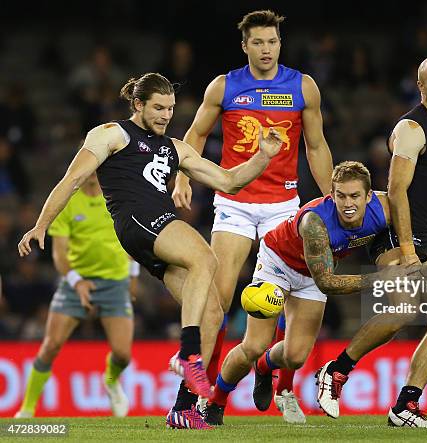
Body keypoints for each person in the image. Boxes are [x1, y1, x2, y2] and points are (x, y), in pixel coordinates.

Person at [17, 72, 284, 430]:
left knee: (213, 313)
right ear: (138, 104)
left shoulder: (175, 147)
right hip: (139, 220)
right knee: (206, 257)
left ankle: (183, 408)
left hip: (154, 236)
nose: (165, 115)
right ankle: (189, 353)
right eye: (158, 107)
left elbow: (228, 181)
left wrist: (263, 156)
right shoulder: (112, 133)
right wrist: (41, 224)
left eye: (170, 108)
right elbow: (73, 179)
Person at [315, 56, 427, 428]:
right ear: (422, 87)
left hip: (424, 232)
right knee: (403, 309)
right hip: (395, 230)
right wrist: (409, 249)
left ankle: (405, 406)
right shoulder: (411, 129)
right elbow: (397, 192)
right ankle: (336, 370)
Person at [171, 9, 333, 423]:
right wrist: (183, 176)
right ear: (245, 46)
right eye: (258, 42)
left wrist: (331, 194)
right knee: (217, 301)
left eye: (272, 41)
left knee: (292, 299)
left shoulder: (303, 87)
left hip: (283, 205)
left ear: (281, 43)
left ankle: (280, 385)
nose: (266, 49)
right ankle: (198, 396)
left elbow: (315, 147)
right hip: (236, 205)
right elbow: (195, 134)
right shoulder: (225, 86)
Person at [201, 161, 413, 426]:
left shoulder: (384, 209)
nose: (348, 204)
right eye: (341, 196)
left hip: (312, 274)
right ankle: (215, 401)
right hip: (278, 263)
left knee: (295, 357)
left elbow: (412, 223)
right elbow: (327, 283)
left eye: (355, 196)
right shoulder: (315, 222)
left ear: (369, 196)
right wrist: (382, 277)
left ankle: (265, 367)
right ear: (331, 194)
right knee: (253, 345)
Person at [14, 172, 137, 418]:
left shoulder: (118, 195)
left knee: (123, 354)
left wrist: (133, 275)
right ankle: (26, 409)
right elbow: (59, 254)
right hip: (75, 282)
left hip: (115, 282)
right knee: (50, 345)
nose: (91, 169)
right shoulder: (67, 202)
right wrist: (77, 282)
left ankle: (111, 381)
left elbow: (131, 238)